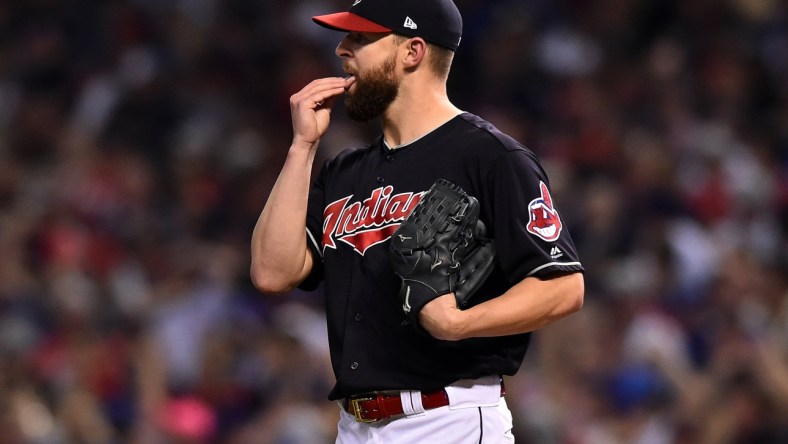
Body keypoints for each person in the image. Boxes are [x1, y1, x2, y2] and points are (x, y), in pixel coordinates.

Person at [250, 0, 585, 442]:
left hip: (449, 418)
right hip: (355, 427)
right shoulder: (344, 170)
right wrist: (302, 148)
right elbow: (272, 273)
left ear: (412, 52)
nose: (341, 50)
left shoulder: (489, 156)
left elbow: (564, 286)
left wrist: (461, 324)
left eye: (361, 38)